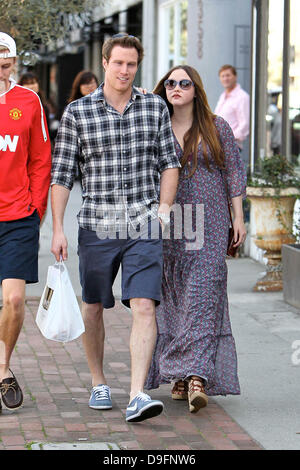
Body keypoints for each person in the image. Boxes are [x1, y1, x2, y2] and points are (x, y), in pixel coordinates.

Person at [51, 33, 180, 423]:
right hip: (97, 225)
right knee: (93, 306)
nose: (125, 70)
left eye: (132, 64)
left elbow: (170, 163)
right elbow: (62, 176)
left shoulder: (154, 107)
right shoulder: (78, 113)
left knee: (144, 304)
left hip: (144, 224)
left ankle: (137, 393)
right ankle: (98, 382)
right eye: (119, 63)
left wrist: (163, 212)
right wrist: (57, 228)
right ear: (105, 63)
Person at [144, 65, 247, 413]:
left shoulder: (216, 126)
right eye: (170, 83)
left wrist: (239, 217)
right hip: (171, 225)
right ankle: (179, 374)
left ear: (195, 89)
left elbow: (233, 170)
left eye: (183, 83)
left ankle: (197, 376)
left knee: (204, 296)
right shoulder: (156, 125)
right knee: (174, 298)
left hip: (212, 223)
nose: (176, 88)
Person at [0, 33, 51, 410]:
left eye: (5, 64)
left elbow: (40, 158)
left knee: (15, 300)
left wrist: (37, 207)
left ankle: (3, 367)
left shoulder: (28, 101)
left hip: (18, 216)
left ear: (14, 63)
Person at [214, 64, 250, 152]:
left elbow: (244, 125)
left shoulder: (242, 96)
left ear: (235, 77)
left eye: (228, 75)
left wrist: (228, 139)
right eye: (222, 76)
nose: (225, 78)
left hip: (231, 146)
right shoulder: (223, 96)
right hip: (218, 145)